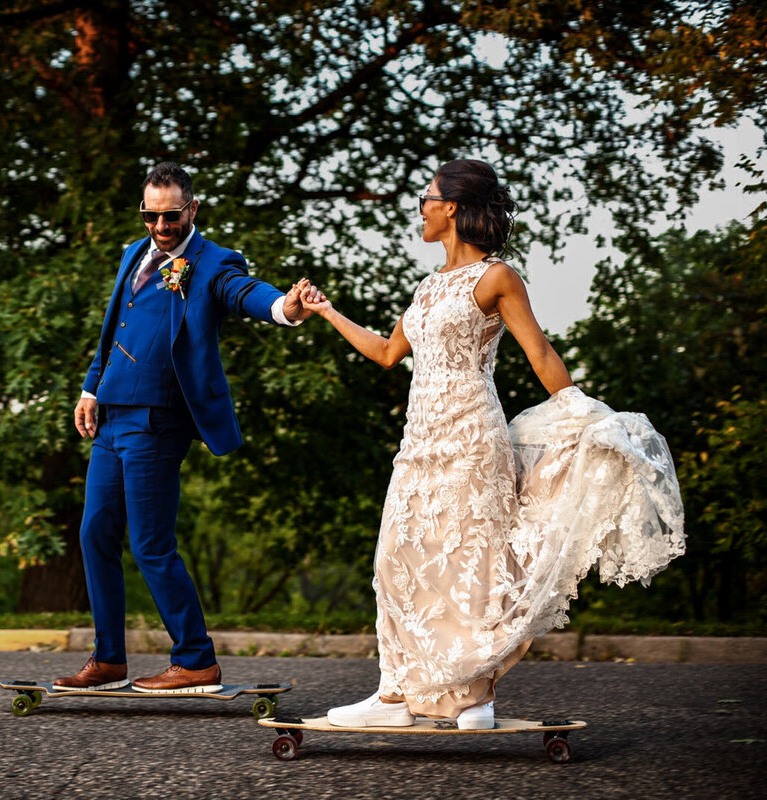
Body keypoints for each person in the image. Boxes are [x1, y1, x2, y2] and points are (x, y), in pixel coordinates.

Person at [299, 159, 685, 729]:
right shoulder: (427, 288)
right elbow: (386, 353)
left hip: (473, 435)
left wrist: (581, 412)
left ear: (451, 207)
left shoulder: (497, 278)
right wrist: (326, 310)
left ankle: (476, 697)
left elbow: (540, 353)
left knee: (474, 564)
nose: (421, 210)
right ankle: (395, 696)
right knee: (395, 559)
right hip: (420, 438)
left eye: (426, 199)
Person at [56, 162, 313, 693]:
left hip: (157, 421)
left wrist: (284, 307)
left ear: (192, 209)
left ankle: (195, 659)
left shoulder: (214, 262)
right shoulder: (134, 253)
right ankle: (108, 659)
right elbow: (113, 329)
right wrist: (89, 388)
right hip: (110, 415)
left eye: (171, 215)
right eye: (151, 215)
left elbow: (247, 293)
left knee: (150, 543)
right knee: (94, 533)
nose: (161, 225)